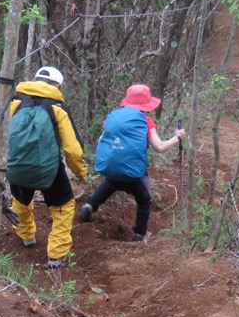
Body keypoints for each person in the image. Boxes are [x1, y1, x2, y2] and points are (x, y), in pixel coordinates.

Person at [0, 66, 88, 268]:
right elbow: (73, 150)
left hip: (17, 166)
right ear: (58, 85)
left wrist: (8, 161)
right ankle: (56, 255)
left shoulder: (14, 103)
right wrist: (80, 172)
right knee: (63, 207)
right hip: (50, 169)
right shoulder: (57, 108)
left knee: (20, 202)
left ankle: (26, 236)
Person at [77, 84, 186, 242]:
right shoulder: (146, 120)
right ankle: (140, 234)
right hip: (135, 175)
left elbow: (102, 140)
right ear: (146, 104)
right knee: (144, 199)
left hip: (111, 169)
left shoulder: (113, 117)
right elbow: (159, 147)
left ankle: (89, 206)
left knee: (110, 183)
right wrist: (178, 137)